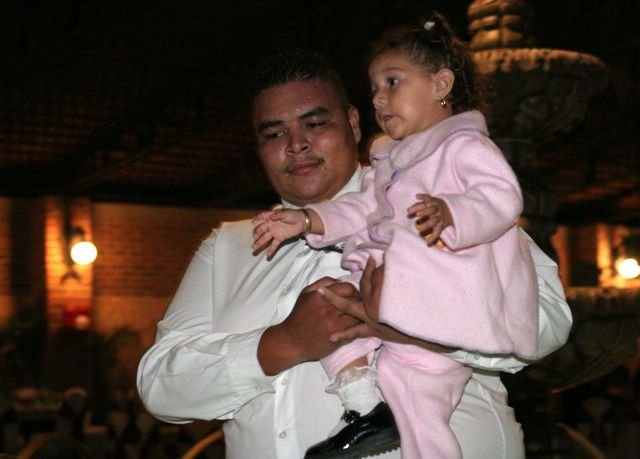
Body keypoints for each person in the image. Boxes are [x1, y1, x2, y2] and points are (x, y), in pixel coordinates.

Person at [136, 46, 572, 459]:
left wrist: (416, 327)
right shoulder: (227, 247)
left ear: (353, 123)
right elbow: (159, 386)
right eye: (274, 133)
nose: (296, 144)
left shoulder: (437, 192)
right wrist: (285, 343)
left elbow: (549, 319)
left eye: (315, 123)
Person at [252, 13, 538, 459]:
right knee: (334, 316)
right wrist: (307, 221)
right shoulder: (391, 160)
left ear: (441, 85)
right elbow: (361, 208)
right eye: (374, 89)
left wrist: (452, 212)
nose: (379, 99)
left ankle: (375, 417)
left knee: (418, 393)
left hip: (442, 294)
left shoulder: (464, 146)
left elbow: (501, 197)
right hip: (394, 291)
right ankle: (367, 410)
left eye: (392, 82)